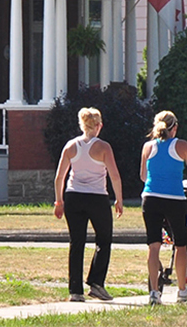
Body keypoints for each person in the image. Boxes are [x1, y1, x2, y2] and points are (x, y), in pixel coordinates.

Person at [53, 107, 124, 302]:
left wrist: (59, 200)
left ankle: (75, 290)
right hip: (97, 197)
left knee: (77, 242)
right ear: (99, 126)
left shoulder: (70, 146)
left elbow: (60, 177)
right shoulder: (103, 147)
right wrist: (119, 199)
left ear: (82, 125)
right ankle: (96, 282)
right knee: (104, 239)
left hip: (73, 196)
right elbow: (115, 175)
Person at [139, 110, 187, 305]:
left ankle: (153, 292)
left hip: (150, 198)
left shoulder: (148, 146)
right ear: (174, 127)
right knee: (180, 245)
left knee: (153, 246)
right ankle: (182, 290)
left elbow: (143, 176)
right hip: (174, 199)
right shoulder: (181, 145)